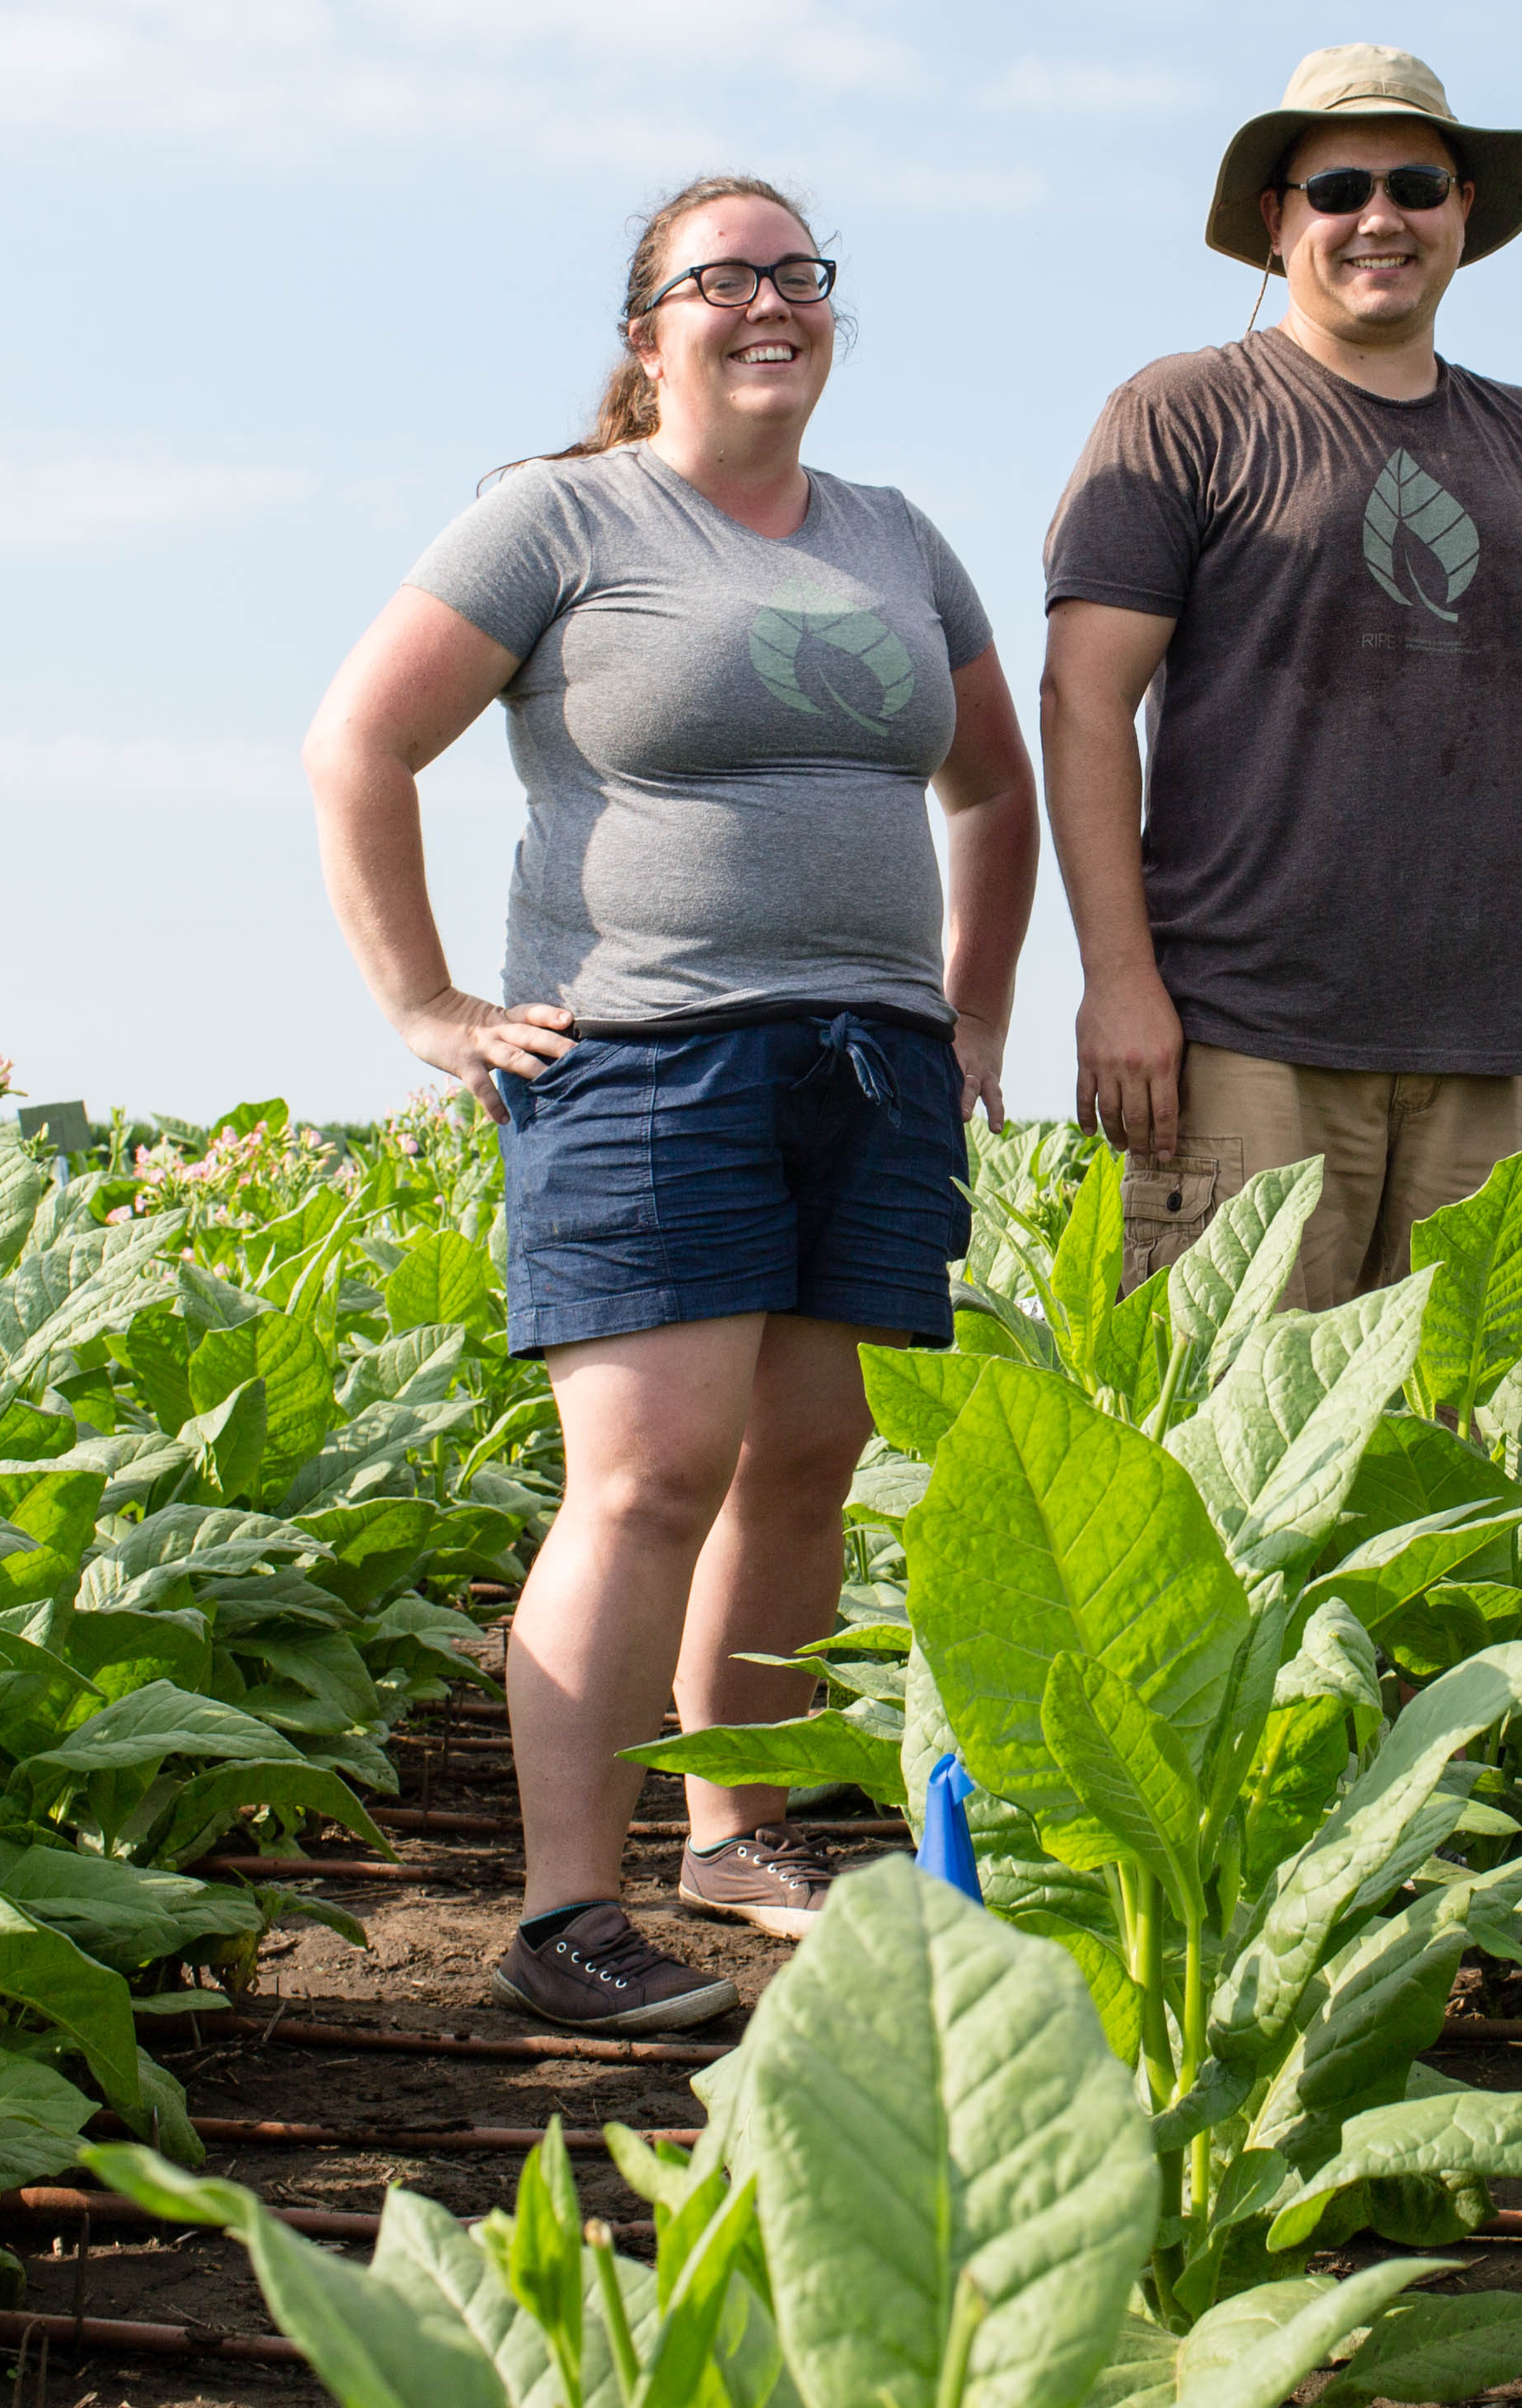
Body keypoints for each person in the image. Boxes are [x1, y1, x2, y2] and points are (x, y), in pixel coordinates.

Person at [305, 174, 1037, 2032]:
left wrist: (974, 1013)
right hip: (646, 1052)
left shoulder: (895, 535)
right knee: (643, 1481)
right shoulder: (558, 517)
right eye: (727, 278)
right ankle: (567, 1917)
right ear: (650, 332)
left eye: (802, 275)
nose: (771, 303)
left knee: (803, 1471)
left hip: (874, 1063)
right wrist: (426, 1005)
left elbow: (994, 793)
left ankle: (739, 1832)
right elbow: (361, 745)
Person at [1040, 46, 1522, 1308]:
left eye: (1416, 184)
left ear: (1464, 215)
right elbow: (1082, 702)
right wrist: (1119, 980)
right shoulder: (1183, 413)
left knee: (1461, 1453)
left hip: (1488, 1054)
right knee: (1233, 1447)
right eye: (1337, 189)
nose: (1379, 217)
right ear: (1278, 224)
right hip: (1238, 1041)